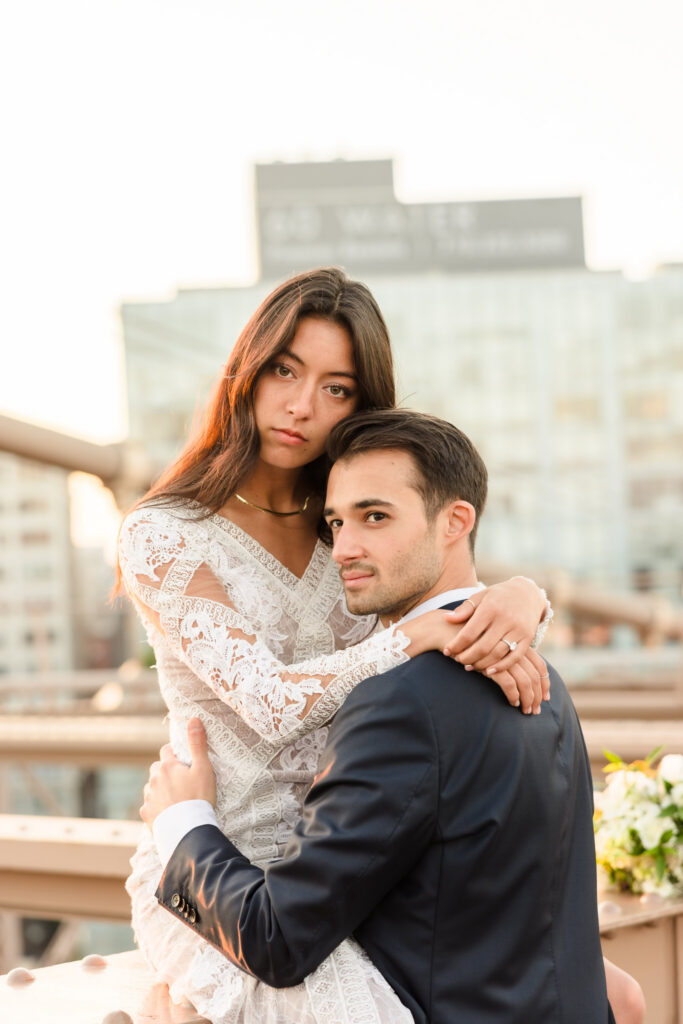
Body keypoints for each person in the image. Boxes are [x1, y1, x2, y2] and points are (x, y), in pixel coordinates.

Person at [117, 268, 554, 1023]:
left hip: (359, 864)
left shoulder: (351, 527)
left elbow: (446, 580)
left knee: (591, 988)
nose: (300, 406)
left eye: (336, 388)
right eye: (285, 370)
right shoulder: (163, 536)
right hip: (225, 873)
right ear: (247, 371)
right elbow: (267, 700)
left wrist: (519, 601)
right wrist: (416, 635)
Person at [142, 409, 644, 1023]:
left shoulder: (396, 706)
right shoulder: (544, 682)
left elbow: (279, 940)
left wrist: (183, 823)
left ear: (456, 521)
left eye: (375, 517)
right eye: (336, 521)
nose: (345, 548)